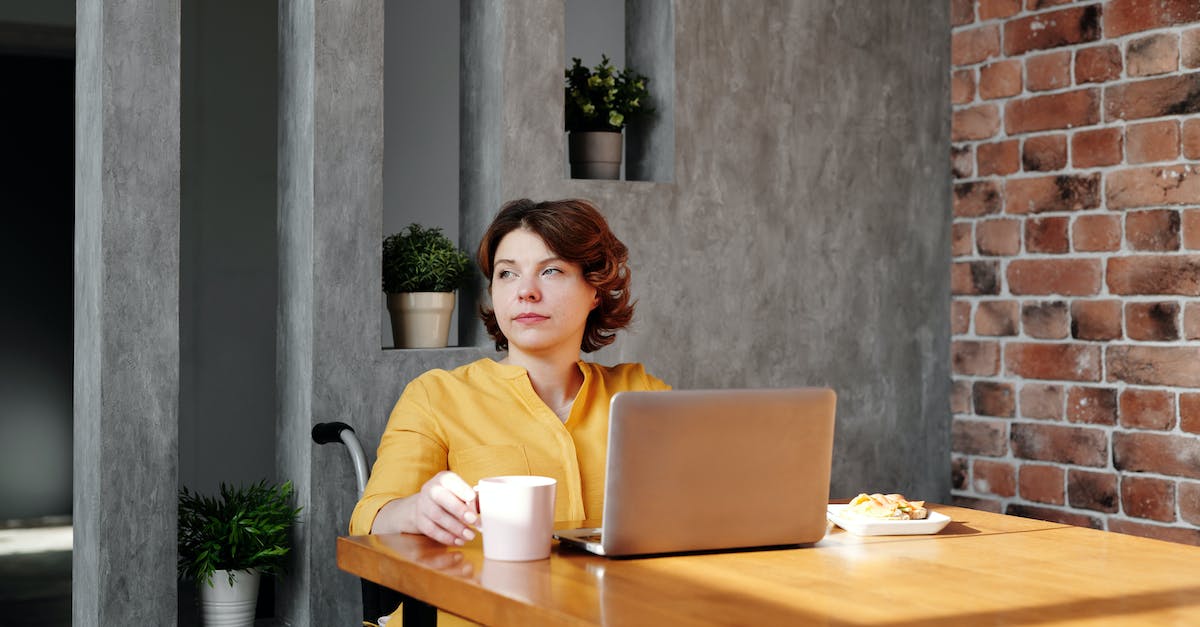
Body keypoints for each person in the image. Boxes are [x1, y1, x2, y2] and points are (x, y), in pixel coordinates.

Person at [350, 198, 670, 546]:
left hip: (614, 599)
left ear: (595, 289)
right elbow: (372, 518)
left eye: (551, 271)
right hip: (471, 599)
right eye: (507, 273)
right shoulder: (435, 396)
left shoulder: (642, 394)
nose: (525, 292)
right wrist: (415, 511)